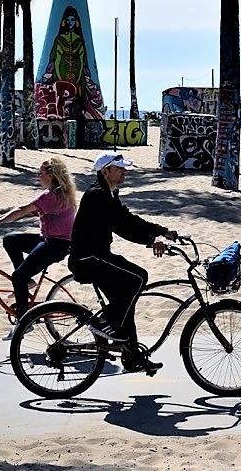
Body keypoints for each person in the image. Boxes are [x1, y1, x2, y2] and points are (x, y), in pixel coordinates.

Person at [69, 152, 177, 374]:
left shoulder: (109, 193)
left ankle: (133, 358)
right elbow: (121, 227)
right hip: (88, 258)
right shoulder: (97, 195)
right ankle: (101, 322)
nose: (124, 171)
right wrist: (150, 241)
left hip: (99, 256)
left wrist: (162, 231)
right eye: (119, 168)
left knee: (126, 302)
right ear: (105, 171)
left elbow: (129, 219)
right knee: (138, 278)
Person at [0, 155, 78, 340]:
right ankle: (27, 283)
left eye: (40, 173)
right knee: (10, 240)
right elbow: (26, 212)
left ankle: (23, 323)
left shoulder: (52, 195)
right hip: (49, 239)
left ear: (51, 175)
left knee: (17, 276)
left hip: (56, 245)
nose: (38, 176)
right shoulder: (58, 193)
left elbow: (22, 209)